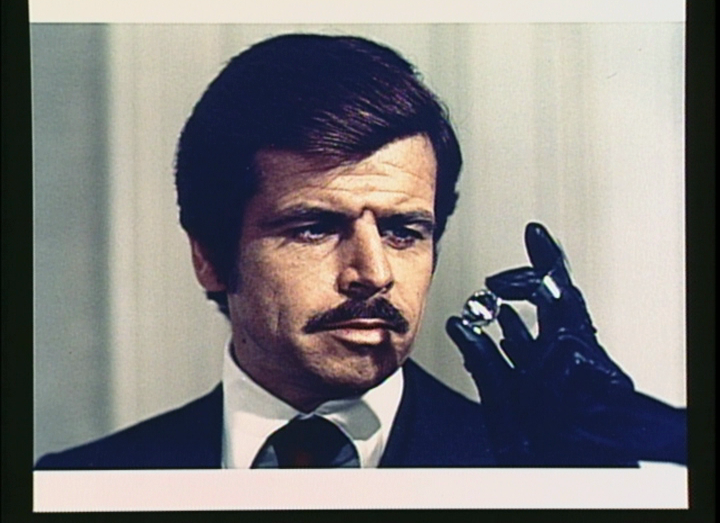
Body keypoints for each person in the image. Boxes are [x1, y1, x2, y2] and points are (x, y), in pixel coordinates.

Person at [34, 33, 686, 470]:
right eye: (315, 228)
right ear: (208, 255)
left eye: (404, 231)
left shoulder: (540, 469)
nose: (374, 273)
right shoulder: (82, 484)